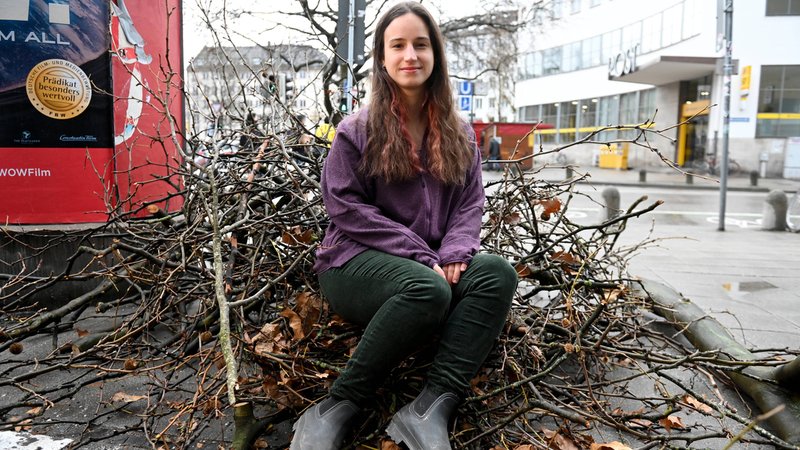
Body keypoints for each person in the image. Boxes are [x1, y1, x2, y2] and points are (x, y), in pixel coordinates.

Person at [290, 3, 517, 450]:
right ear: (382, 56)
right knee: (427, 290)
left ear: (435, 55)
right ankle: (336, 405)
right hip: (353, 263)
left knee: (496, 273)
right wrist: (422, 255)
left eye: (420, 44)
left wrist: (455, 252)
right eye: (398, 45)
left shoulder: (458, 132)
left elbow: (471, 202)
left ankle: (429, 408)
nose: (410, 54)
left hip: (430, 264)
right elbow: (344, 207)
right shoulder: (357, 130)